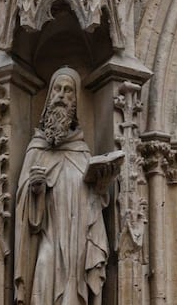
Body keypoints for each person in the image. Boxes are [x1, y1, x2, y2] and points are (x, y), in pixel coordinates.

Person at [14, 67, 117, 305]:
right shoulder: (36, 150)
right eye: (57, 90)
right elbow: (23, 215)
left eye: (69, 91)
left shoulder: (81, 152)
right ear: (49, 97)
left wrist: (100, 188)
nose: (62, 96)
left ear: (76, 102)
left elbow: (93, 210)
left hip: (78, 249)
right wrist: (35, 190)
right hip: (48, 242)